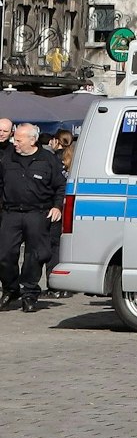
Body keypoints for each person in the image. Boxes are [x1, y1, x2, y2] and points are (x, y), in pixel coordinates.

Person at [0, 123, 60, 312]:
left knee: (35, 255)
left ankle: (30, 293)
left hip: (38, 213)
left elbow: (60, 186)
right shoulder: (6, 158)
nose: (14, 143)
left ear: (32, 140)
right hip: (11, 213)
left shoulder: (47, 159)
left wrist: (57, 207)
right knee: (4, 254)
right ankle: (11, 288)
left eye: (18, 140)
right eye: (14, 139)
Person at [40, 129, 77, 299]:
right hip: (73, 209)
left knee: (53, 247)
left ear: (56, 141)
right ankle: (67, 285)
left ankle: (54, 285)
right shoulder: (76, 157)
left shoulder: (53, 160)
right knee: (65, 248)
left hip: (56, 209)